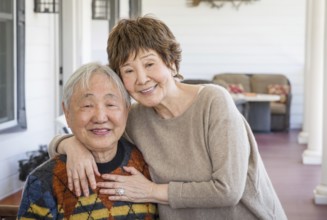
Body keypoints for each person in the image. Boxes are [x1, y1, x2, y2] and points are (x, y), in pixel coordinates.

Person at [48, 16, 287, 219]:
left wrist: (151, 191)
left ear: (171, 63)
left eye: (150, 64)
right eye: (129, 70)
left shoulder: (213, 102)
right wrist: (71, 145)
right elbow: (90, 133)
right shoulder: (135, 119)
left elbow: (228, 190)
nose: (142, 79)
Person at [17, 63, 158, 219]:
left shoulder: (150, 165)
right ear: (67, 112)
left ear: (126, 110)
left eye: (110, 104)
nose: (100, 117)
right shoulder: (44, 181)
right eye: (87, 105)